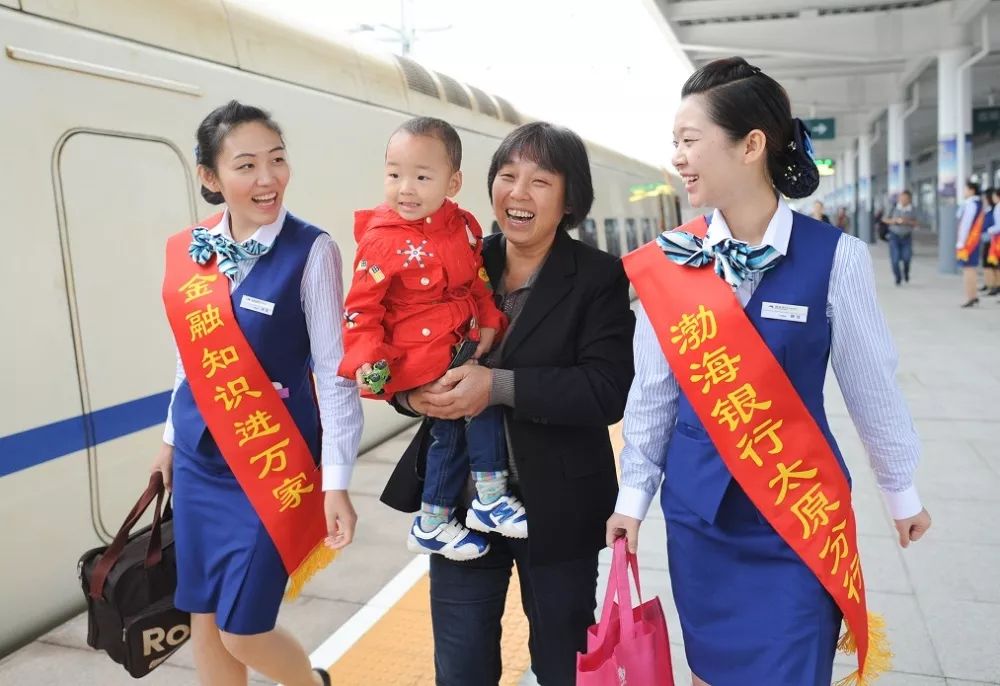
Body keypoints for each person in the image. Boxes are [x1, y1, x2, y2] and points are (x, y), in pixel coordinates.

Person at [606, 57, 931, 686]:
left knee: (791, 666)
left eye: (691, 139)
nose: (678, 156)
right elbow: (652, 394)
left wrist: (900, 490)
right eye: (675, 141)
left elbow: (871, 386)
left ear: (752, 145)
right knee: (711, 672)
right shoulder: (669, 264)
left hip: (796, 511)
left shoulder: (836, 258)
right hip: (702, 520)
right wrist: (632, 499)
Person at [380, 122, 635, 686]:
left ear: (570, 198)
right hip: (459, 506)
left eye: (540, 181)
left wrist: (495, 386)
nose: (518, 193)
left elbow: (605, 389)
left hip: (558, 506)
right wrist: (410, 393)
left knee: (562, 662)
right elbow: (402, 346)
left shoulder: (597, 277)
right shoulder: (457, 259)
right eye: (507, 176)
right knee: (461, 666)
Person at [151, 101, 363, 686]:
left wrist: (337, 481)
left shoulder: (311, 251)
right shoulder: (189, 250)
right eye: (246, 166)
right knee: (204, 612)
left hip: (270, 459)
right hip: (199, 462)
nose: (267, 179)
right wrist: (171, 440)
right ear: (211, 178)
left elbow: (335, 373)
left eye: (277, 160)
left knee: (243, 627)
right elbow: (189, 358)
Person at [338, 117, 520, 562]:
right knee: (474, 409)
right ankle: (488, 498)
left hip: (455, 341)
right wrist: (371, 365)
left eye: (421, 177)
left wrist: (491, 318)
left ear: (452, 182)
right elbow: (361, 310)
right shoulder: (382, 242)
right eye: (394, 174)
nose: (405, 188)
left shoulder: (463, 228)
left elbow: (476, 283)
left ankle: (435, 519)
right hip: (417, 352)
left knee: (451, 431)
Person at [956, 180, 985, 308]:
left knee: (968, 269)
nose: (964, 192)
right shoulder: (978, 203)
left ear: (972, 190)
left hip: (969, 242)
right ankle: (973, 296)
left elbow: (965, 225)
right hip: (973, 240)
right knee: (970, 268)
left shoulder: (971, 204)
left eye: (965, 189)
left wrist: (961, 242)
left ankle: (971, 296)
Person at [886, 189, 919, 285]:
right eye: (901, 198)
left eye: (905, 198)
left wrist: (907, 222)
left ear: (909, 199)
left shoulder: (912, 209)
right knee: (895, 259)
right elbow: (885, 219)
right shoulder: (893, 207)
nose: (903, 200)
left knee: (907, 257)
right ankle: (898, 277)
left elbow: (917, 222)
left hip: (906, 237)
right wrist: (895, 221)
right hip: (894, 236)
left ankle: (906, 272)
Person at [979, 188, 998, 296]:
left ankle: (994, 285)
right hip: (987, 238)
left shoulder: (995, 210)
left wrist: (989, 230)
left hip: (993, 240)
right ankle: (989, 284)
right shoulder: (988, 210)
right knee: (986, 262)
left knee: (992, 263)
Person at [987, 187, 1000, 295]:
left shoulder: (998, 208)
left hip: (998, 239)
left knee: (997, 264)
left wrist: (989, 230)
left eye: (994, 196)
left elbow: (999, 226)